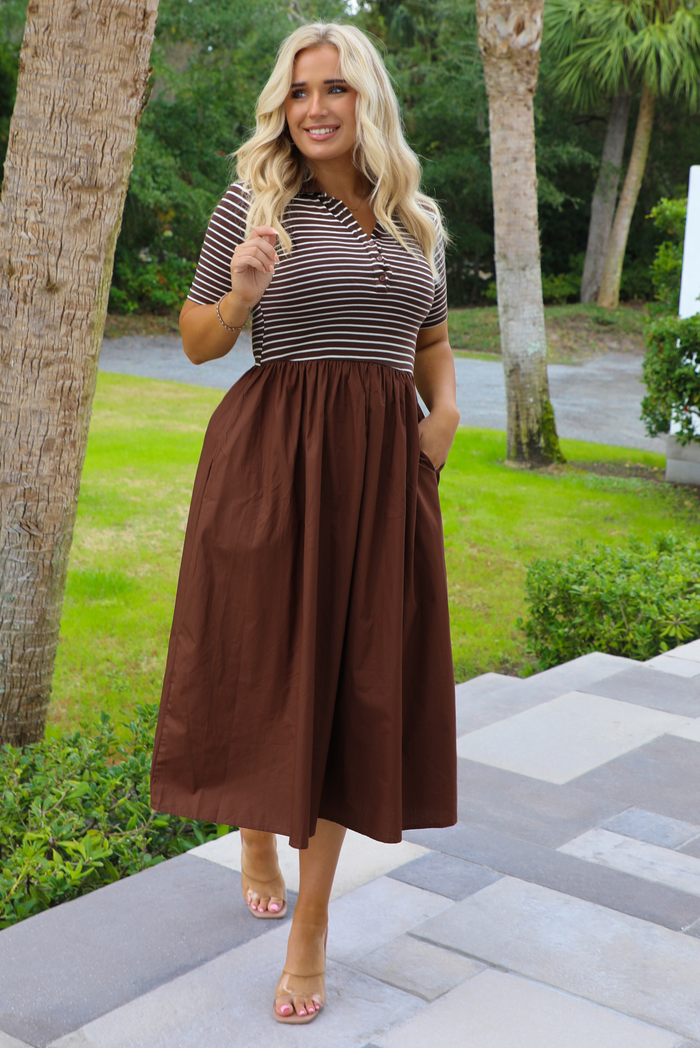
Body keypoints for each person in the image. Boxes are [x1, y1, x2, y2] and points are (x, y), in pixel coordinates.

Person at [150, 21, 459, 1025]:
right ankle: (253, 830)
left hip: (383, 470)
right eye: (298, 93)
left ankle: (310, 927)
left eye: (335, 89)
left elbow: (431, 337)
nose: (316, 108)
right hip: (276, 463)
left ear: (366, 98)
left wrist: (443, 411)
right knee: (265, 665)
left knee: (353, 686)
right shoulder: (255, 200)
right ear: (280, 108)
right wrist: (239, 296)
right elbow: (198, 341)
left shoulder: (414, 216)